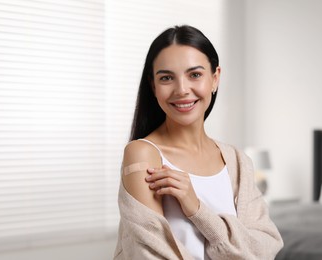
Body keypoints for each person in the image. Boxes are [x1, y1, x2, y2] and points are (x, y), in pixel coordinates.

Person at [114, 25, 283, 260]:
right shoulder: (143, 155)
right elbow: (151, 255)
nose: (182, 90)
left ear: (215, 79)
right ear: (153, 87)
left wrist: (197, 209)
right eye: (166, 78)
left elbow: (264, 248)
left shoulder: (237, 161)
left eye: (195, 74)